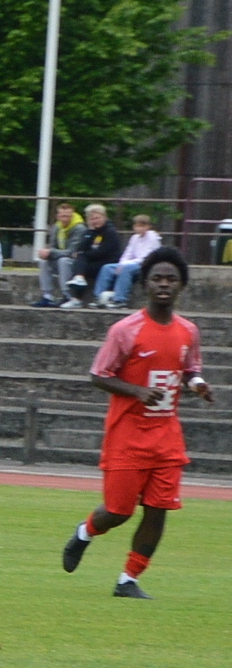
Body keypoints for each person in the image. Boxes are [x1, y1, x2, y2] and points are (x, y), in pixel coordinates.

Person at [60, 246, 209, 598]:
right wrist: (137, 392)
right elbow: (98, 375)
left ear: (181, 285)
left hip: (167, 437)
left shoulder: (188, 331)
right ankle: (84, 532)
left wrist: (197, 384)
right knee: (119, 511)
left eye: (171, 279)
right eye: (157, 278)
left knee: (158, 511)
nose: (164, 284)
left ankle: (129, 580)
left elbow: (190, 369)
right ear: (145, 284)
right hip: (127, 435)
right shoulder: (125, 330)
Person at [63, 203, 121, 310]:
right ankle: (78, 283)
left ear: (104, 217)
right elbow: (81, 247)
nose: (95, 221)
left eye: (97, 218)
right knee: (80, 263)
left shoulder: (110, 232)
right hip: (94, 260)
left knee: (81, 262)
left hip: (108, 261)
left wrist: (84, 254)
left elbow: (103, 251)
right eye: (92, 219)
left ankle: (76, 297)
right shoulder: (91, 232)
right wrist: (90, 232)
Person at [96, 214, 161, 307]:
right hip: (131, 263)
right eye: (137, 226)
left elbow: (145, 257)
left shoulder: (153, 238)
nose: (139, 228)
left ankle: (120, 299)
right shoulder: (134, 238)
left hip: (145, 265)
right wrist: (121, 263)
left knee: (126, 269)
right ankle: (99, 297)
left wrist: (124, 265)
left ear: (148, 226)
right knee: (107, 268)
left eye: (142, 226)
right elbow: (127, 253)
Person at [33, 202, 87, 307]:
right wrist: (45, 252)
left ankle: (67, 295)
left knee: (64, 260)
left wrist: (51, 252)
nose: (65, 219)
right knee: (43, 261)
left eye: (68, 216)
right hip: (60, 258)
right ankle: (47, 295)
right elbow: (52, 246)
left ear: (72, 215)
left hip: (76, 262)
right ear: (58, 216)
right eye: (62, 216)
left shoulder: (79, 228)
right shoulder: (56, 227)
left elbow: (71, 251)